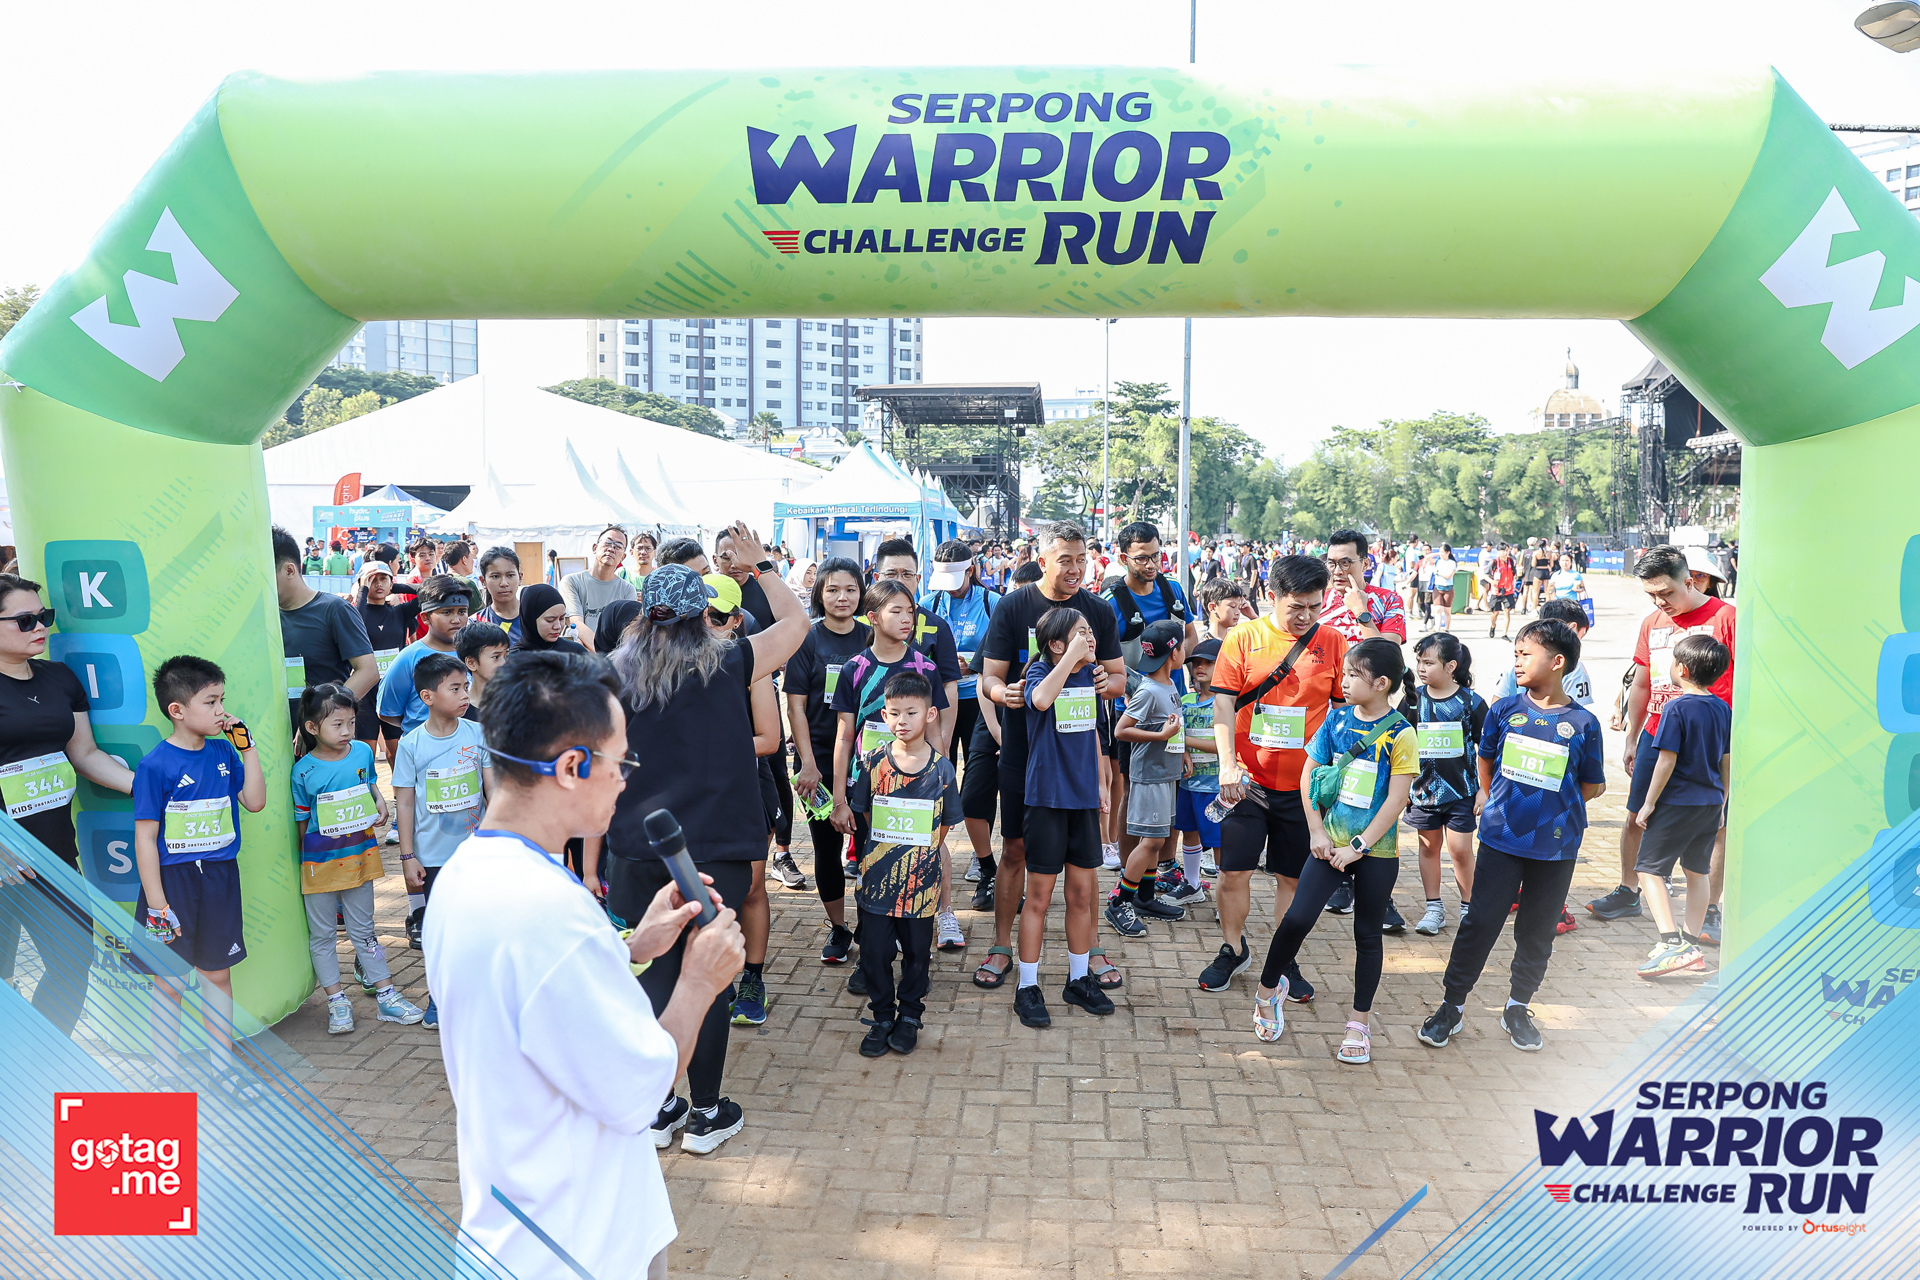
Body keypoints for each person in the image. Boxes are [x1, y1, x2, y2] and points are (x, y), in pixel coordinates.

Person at [424, 648, 745, 1280]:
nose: (625, 779)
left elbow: (535, 998)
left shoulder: (468, 871)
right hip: (579, 1243)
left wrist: (630, 947)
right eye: (620, 761)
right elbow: (640, 1092)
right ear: (572, 767)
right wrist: (699, 981)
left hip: (522, 1222)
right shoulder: (550, 914)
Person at [598, 532, 809, 1156]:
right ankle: (708, 1112)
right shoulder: (731, 660)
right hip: (715, 847)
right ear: (701, 614)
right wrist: (760, 566)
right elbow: (797, 623)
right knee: (708, 977)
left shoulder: (611, 673)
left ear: (644, 614)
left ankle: (661, 1106)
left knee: (653, 974)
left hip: (637, 846)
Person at [1418, 619, 1606, 1053]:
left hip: (1556, 848)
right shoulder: (1503, 710)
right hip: (1501, 840)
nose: (1517, 662)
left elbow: (1592, 785)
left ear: (1558, 662)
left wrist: (1555, 809)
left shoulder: (1584, 723)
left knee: (1537, 931)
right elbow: (1485, 761)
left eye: (1526, 654)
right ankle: (1451, 1006)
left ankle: (1517, 1008)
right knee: (1479, 923)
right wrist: (1490, 798)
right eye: (1515, 654)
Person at [974, 522, 1125, 991]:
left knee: (1085, 860)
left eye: (1082, 559)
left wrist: (1106, 682)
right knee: (1016, 848)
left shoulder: (1098, 610)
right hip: (1026, 753)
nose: (1076, 569)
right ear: (1042, 562)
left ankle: (1091, 948)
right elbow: (989, 677)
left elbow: (1119, 678)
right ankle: (1002, 945)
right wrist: (1003, 693)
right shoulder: (1012, 605)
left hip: (1079, 758)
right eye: (1065, 561)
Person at [1250, 639, 1416, 1063]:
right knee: (1296, 919)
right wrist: (1316, 832)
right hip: (1328, 845)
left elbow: (1397, 799)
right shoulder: (1336, 719)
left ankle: (1359, 1023)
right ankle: (1268, 992)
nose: (1343, 681)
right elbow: (1309, 773)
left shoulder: (1401, 732)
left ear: (1381, 683)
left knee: (1368, 935)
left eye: (1353, 675)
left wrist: (1360, 846)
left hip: (1376, 853)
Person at [1198, 555, 1346, 994]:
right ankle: (1232, 949)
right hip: (1247, 782)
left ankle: (1284, 960)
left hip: (1305, 787)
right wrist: (1227, 764)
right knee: (1233, 873)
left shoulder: (1333, 641)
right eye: (1296, 606)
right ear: (1272, 595)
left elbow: (1342, 711)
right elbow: (1223, 704)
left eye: (1314, 606)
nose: (1305, 616)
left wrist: (1338, 770)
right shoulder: (1243, 638)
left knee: (1292, 878)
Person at [0, 573, 135, 1034]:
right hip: (3, 857)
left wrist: (148, 788)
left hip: (54, 853)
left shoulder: (59, 678)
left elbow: (85, 755)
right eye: (25, 620)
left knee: (74, 960)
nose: (40, 626)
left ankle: (43, 1058)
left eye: (45, 616)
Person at [132, 656, 266, 1092]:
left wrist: (248, 749)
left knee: (217, 974)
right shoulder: (155, 765)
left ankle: (222, 1068)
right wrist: (157, 903)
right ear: (177, 710)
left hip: (220, 879)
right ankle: (166, 1075)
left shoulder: (224, 751)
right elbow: (146, 838)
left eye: (221, 700)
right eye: (211, 702)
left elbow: (254, 801)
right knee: (170, 981)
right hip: (172, 885)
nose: (221, 710)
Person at [1587, 546, 1735, 924]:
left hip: (1709, 744)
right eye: (1651, 594)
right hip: (1657, 735)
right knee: (1637, 815)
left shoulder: (1726, 618)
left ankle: (1710, 909)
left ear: (1690, 581)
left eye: (1666, 592)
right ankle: (1628, 891)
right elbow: (1641, 682)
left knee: (1717, 824)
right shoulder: (1652, 623)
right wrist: (1632, 737)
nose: (1659, 601)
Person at [290, 684, 424, 1032]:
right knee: (323, 936)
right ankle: (337, 1002)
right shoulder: (302, 771)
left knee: (364, 931)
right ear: (312, 727)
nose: (347, 730)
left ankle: (387, 995)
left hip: (361, 859)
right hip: (319, 865)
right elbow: (302, 822)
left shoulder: (363, 752)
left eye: (351, 722)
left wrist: (380, 803)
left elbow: (370, 786)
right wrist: (306, 862)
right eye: (337, 724)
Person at [846, 671, 962, 1055]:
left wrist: (918, 856)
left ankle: (910, 1016)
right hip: (877, 881)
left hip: (921, 885)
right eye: (894, 713)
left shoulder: (942, 771)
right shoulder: (873, 764)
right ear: (884, 714)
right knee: (875, 952)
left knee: (916, 954)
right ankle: (882, 1016)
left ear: (930, 714)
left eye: (911, 713)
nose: (902, 721)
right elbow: (866, 815)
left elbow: (944, 825)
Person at [1013, 608, 1116, 1027]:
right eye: (1080, 634)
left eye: (1090, 633)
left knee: (1081, 895)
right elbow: (1040, 700)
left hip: (1083, 801)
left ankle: (1078, 979)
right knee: (1038, 898)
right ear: (1056, 644)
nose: (1090, 639)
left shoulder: (1092, 677)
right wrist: (1070, 658)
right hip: (1047, 801)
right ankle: (1027, 986)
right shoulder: (1040, 673)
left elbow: (1092, 733)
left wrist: (1102, 784)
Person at [393, 652, 494, 1030]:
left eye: (466, 687)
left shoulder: (477, 734)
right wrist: (408, 856)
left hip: (476, 854)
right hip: (433, 858)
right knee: (441, 930)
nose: (465, 694)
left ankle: (481, 995)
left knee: (479, 926)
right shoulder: (411, 745)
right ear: (427, 697)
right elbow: (404, 802)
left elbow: (492, 790)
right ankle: (439, 997)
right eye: (455, 688)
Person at [1630, 634, 1732, 979]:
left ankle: (1672, 943)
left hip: (1678, 801)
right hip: (1710, 801)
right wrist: (1722, 801)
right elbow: (1726, 760)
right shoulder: (1723, 708)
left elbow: (1666, 760)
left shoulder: (1676, 708)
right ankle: (1691, 944)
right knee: (1697, 871)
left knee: (1648, 869)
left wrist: (1648, 803)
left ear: (1682, 669)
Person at [785, 558, 870, 962]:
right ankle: (839, 928)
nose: (842, 597)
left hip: (869, 758)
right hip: (816, 758)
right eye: (833, 589)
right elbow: (796, 707)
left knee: (870, 846)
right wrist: (807, 762)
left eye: (850, 589)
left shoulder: (873, 636)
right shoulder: (807, 639)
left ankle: (873, 924)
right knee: (826, 846)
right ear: (820, 593)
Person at [921, 540, 1000, 900]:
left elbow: (1001, 656)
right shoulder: (927, 603)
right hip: (938, 703)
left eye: (956, 579)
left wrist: (976, 665)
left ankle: (981, 859)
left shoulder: (992, 603)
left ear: (971, 570)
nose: (950, 588)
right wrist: (945, 665)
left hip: (981, 703)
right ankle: (930, 848)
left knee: (979, 781)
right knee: (935, 775)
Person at [1399, 633, 1488, 937]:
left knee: (1461, 850)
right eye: (1419, 662)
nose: (1421, 669)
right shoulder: (1413, 700)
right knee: (1428, 848)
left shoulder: (1471, 702)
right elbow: (1398, 744)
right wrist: (1402, 788)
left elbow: (1489, 749)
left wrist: (1484, 789)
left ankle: (1469, 907)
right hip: (1422, 794)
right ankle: (1433, 908)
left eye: (1429, 663)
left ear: (1451, 666)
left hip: (1462, 793)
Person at [1108, 620, 1189, 937]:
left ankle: (1144, 897)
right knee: (1153, 840)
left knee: (1158, 838)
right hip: (1150, 777)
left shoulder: (1168, 686)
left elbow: (1171, 725)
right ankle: (1120, 902)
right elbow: (1121, 730)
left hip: (1166, 774)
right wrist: (1161, 736)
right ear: (1175, 652)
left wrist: (1181, 750)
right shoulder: (1150, 690)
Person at [273, 526, 377, 730]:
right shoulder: (266, 617)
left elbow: (368, 671)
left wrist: (321, 721)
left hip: (322, 740)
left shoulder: (335, 609)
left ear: (289, 570)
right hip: (275, 735)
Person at [1172, 637, 1224, 898]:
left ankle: (1225, 895)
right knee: (1189, 832)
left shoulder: (1225, 703)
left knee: (1219, 841)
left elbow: (1223, 745)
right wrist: (1183, 749)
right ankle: (1192, 884)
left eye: (1208, 663)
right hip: (1189, 783)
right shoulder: (1186, 700)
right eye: (1196, 663)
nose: (1200, 667)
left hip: (1216, 787)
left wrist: (1184, 740)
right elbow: (1175, 731)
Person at [353, 560, 410, 781]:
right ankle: (365, 794)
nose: (378, 583)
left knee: (397, 753)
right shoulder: (353, 613)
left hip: (394, 691)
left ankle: (399, 797)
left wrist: (396, 587)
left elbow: (431, 592)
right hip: (365, 692)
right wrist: (363, 590)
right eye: (372, 579)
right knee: (365, 753)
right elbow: (356, 618)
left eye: (383, 579)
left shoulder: (399, 612)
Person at [1319, 529, 1406, 644]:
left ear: (1365, 564)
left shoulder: (1389, 600)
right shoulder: (1317, 601)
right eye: (1331, 563)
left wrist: (1360, 611)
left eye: (1345, 563)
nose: (1337, 571)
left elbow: (1389, 652)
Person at [560, 525, 637, 652]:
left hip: (612, 657)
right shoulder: (571, 581)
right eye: (607, 543)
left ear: (623, 557)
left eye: (618, 546)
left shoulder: (628, 590)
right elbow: (575, 623)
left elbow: (627, 633)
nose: (611, 549)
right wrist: (602, 655)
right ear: (595, 547)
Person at [514, 583, 591, 656]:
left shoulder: (577, 653)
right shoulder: (513, 658)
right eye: (550, 620)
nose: (558, 626)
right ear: (531, 620)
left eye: (561, 618)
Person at [457, 620, 511, 716]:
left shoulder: (519, 702)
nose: (504, 663)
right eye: (496, 657)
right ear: (471, 663)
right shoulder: (458, 710)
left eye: (506, 656)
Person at [475, 547, 524, 638]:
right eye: (495, 576)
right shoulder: (475, 623)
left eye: (510, 575)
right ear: (483, 581)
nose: (504, 583)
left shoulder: (537, 618)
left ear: (520, 577)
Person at [1485, 545, 1518, 639]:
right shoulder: (1494, 562)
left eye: (1507, 550)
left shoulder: (1511, 561)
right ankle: (1493, 626)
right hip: (1496, 591)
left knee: (1507, 611)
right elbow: (1485, 575)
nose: (1505, 552)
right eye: (1503, 550)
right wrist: (1492, 582)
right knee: (1495, 613)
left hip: (1508, 590)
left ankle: (1504, 633)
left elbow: (1514, 573)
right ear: (1498, 552)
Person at [1429, 543, 1459, 632]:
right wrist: (1437, 554)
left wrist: (1438, 572)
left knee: (1447, 610)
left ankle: (1446, 628)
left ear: (1448, 552)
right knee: (1438, 609)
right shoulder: (1438, 561)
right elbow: (1427, 558)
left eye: (1443, 552)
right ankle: (1437, 629)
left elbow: (1449, 576)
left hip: (1448, 588)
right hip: (1438, 587)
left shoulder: (1452, 563)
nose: (1441, 554)